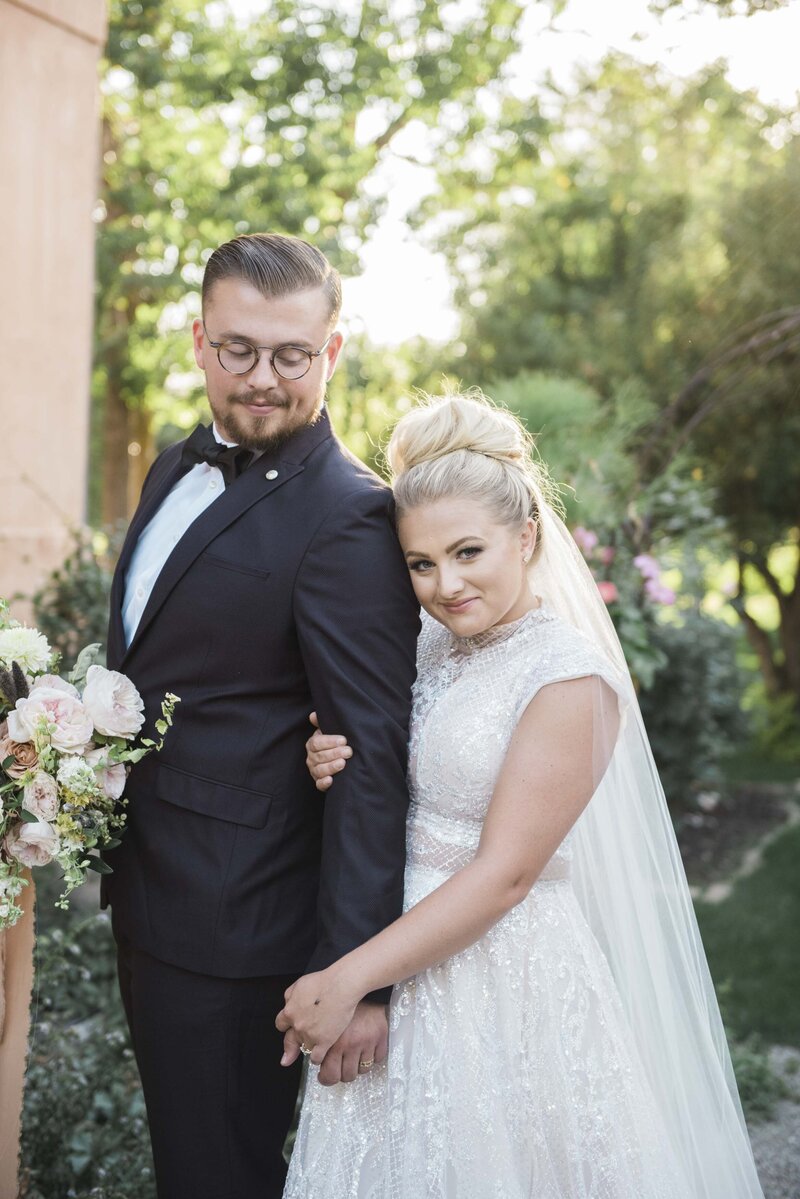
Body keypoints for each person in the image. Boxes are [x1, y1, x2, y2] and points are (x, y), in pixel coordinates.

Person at [277, 391, 765, 1199]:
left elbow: (505, 873)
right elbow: (394, 773)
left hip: (501, 977)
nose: (446, 584)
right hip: (395, 947)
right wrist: (331, 753)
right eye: (421, 563)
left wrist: (348, 977)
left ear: (528, 535)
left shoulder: (569, 677)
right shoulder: (431, 642)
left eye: (469, 551)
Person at [101, 233, 420, 1199]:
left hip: (243, 933)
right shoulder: (169, 467)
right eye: (239, 349)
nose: (263, 379)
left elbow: (370, 759)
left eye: (291, 355)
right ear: (200, 340)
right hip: (153, 899)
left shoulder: (351, 514)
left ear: (331, 352)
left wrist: (360, 974)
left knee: (218, 1178)